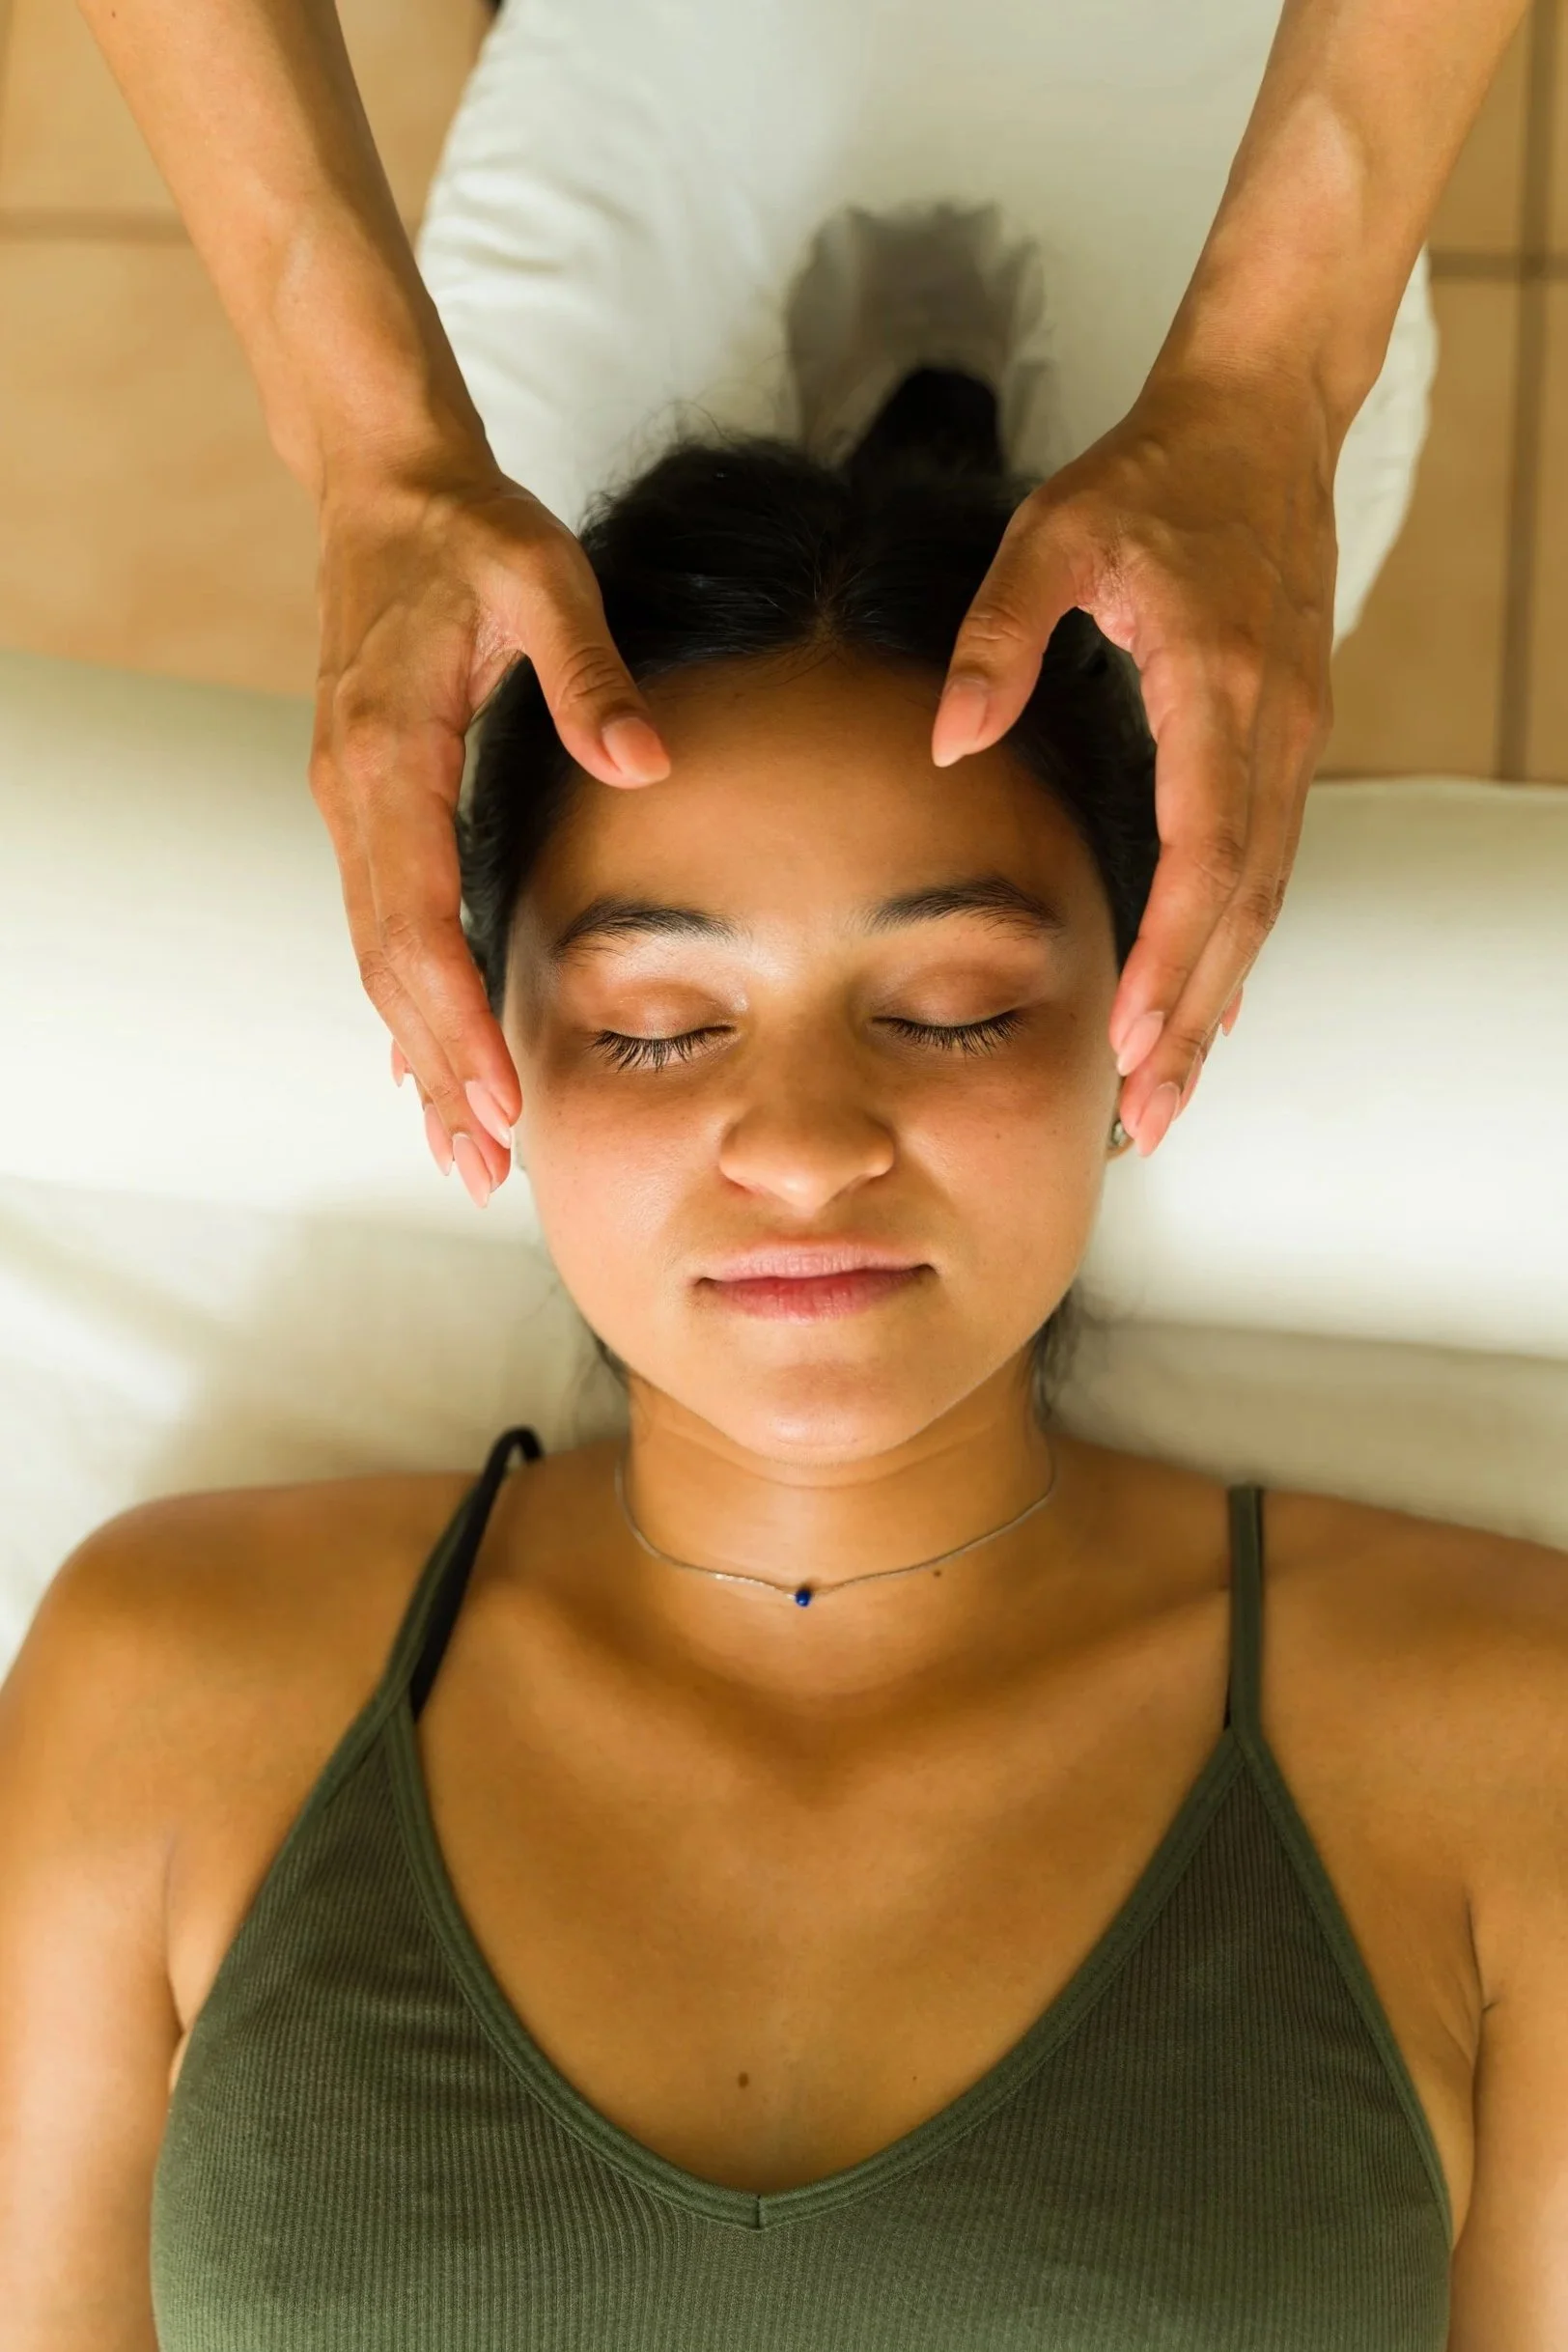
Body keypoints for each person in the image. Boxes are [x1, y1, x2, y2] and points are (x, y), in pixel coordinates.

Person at [2, 378, 1564, 2347]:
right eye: (660, 1023)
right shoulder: (170, 1678)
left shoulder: (1506, 1732)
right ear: (486, 1047)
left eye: (948, 1006)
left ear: (1138, 1017)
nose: (809, 1142)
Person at [71, 0, 1530, 1198]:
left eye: (654, 1030)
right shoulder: (1240, 606)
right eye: (956, 1012)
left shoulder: (535, 363)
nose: (802, 1159)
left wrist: (373, 447)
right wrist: (1287, 371)